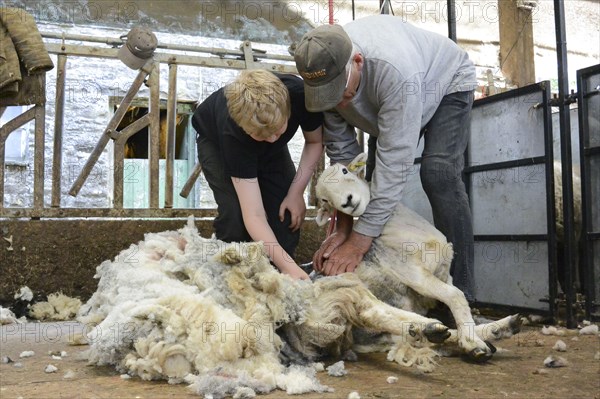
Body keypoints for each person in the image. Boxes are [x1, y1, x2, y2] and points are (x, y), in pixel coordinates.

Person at [294, 15, 477, 300]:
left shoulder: (394, 70)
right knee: (371, 188)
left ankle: (462, 292)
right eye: (326, 97)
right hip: (387, 106)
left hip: (442, 83)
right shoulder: (325, 78)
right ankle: (385, 285)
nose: (338, 103)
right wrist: (342, 231)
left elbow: (395, 166)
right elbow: (345, 164)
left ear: (357, 61)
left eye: (339, 92)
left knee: (438, 173)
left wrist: (357, 243)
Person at [192, 69, 323, 280]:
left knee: (285, 212)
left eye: (279, 130)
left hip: (261, 134)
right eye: (263, 136)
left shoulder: (299, 95)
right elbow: (254, 214)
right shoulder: (234, 134)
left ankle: (279, 278)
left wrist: (296, 193)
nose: (272, 139)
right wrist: (290, 267)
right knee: (235, 215)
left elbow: (315, 141)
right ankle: (231, 278)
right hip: (218, 143)